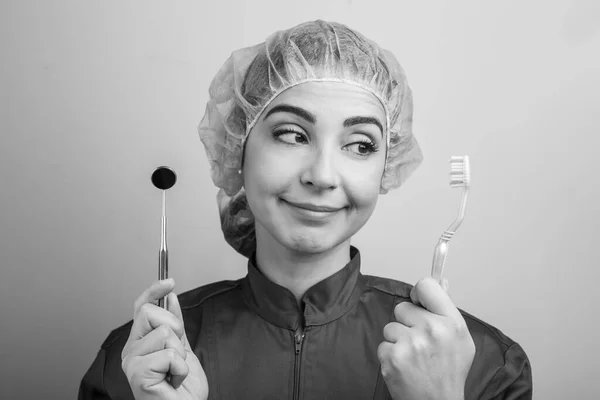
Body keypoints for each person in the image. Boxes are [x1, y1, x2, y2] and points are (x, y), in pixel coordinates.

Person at [79, 20, 532, 400]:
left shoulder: (487, 367)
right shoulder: (137, 366)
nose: (322, 175)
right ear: (237, 147)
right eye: (293, 134)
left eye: (360, 145)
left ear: (386, 166)